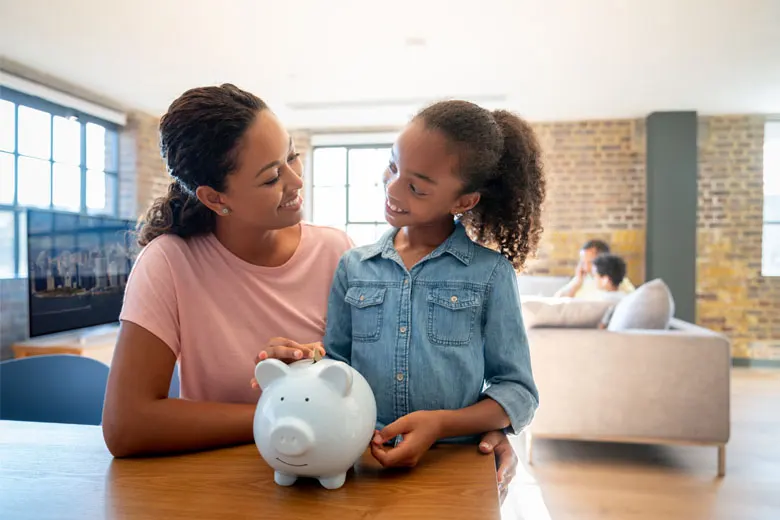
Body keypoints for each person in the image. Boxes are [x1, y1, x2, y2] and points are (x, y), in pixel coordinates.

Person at [101, 84, 516, 494]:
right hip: (229, 485)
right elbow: (127, 426)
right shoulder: (168, 263)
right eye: (270, 178)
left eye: (292, 156)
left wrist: (477, 428)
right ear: (215, 197)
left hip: (340, 484)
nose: (297, 180)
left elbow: (396, 377)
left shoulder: (339, 252)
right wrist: (284, 414)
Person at [323, 100, 544, 469]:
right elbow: (335, 369)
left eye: (417, 188)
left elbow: (518, 392)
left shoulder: (490, 275)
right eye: (393, 166)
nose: (393, 189)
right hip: (360, 457)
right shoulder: (353, 267)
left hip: (453, 461)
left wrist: (441, 424)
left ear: (464, 200)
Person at [554, 239, 635, 298]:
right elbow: (557, 300)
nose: (585, 267)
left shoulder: (618, 282)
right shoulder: (580, 279)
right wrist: (577, 284)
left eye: (589, 262)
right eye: (583, 262)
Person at [591, 253, 628, 329]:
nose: (593, 279)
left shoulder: (603, 302)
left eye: (595, 276)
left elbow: (601, 327)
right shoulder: (626, 298)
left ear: (606, 279)